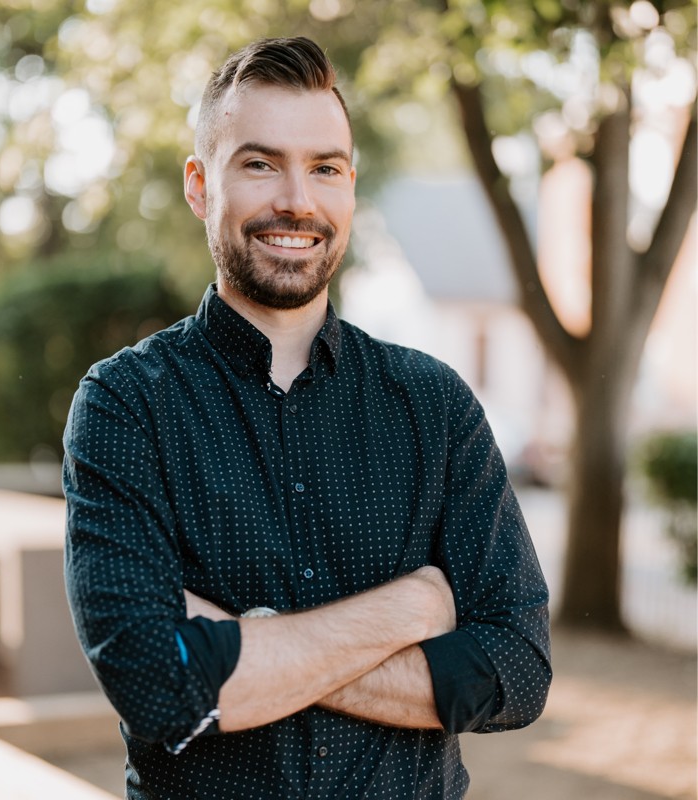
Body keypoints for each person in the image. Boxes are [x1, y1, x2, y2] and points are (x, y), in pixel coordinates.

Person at [63, 36, 551, 800]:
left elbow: (517, 670)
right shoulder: (128, 405)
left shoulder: (436, 407)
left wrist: (240, 643)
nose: (298, 199)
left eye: (325, 167)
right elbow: (155, 686)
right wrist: (412, 608)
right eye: (260, 164)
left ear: (351, 186)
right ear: (199, 185)